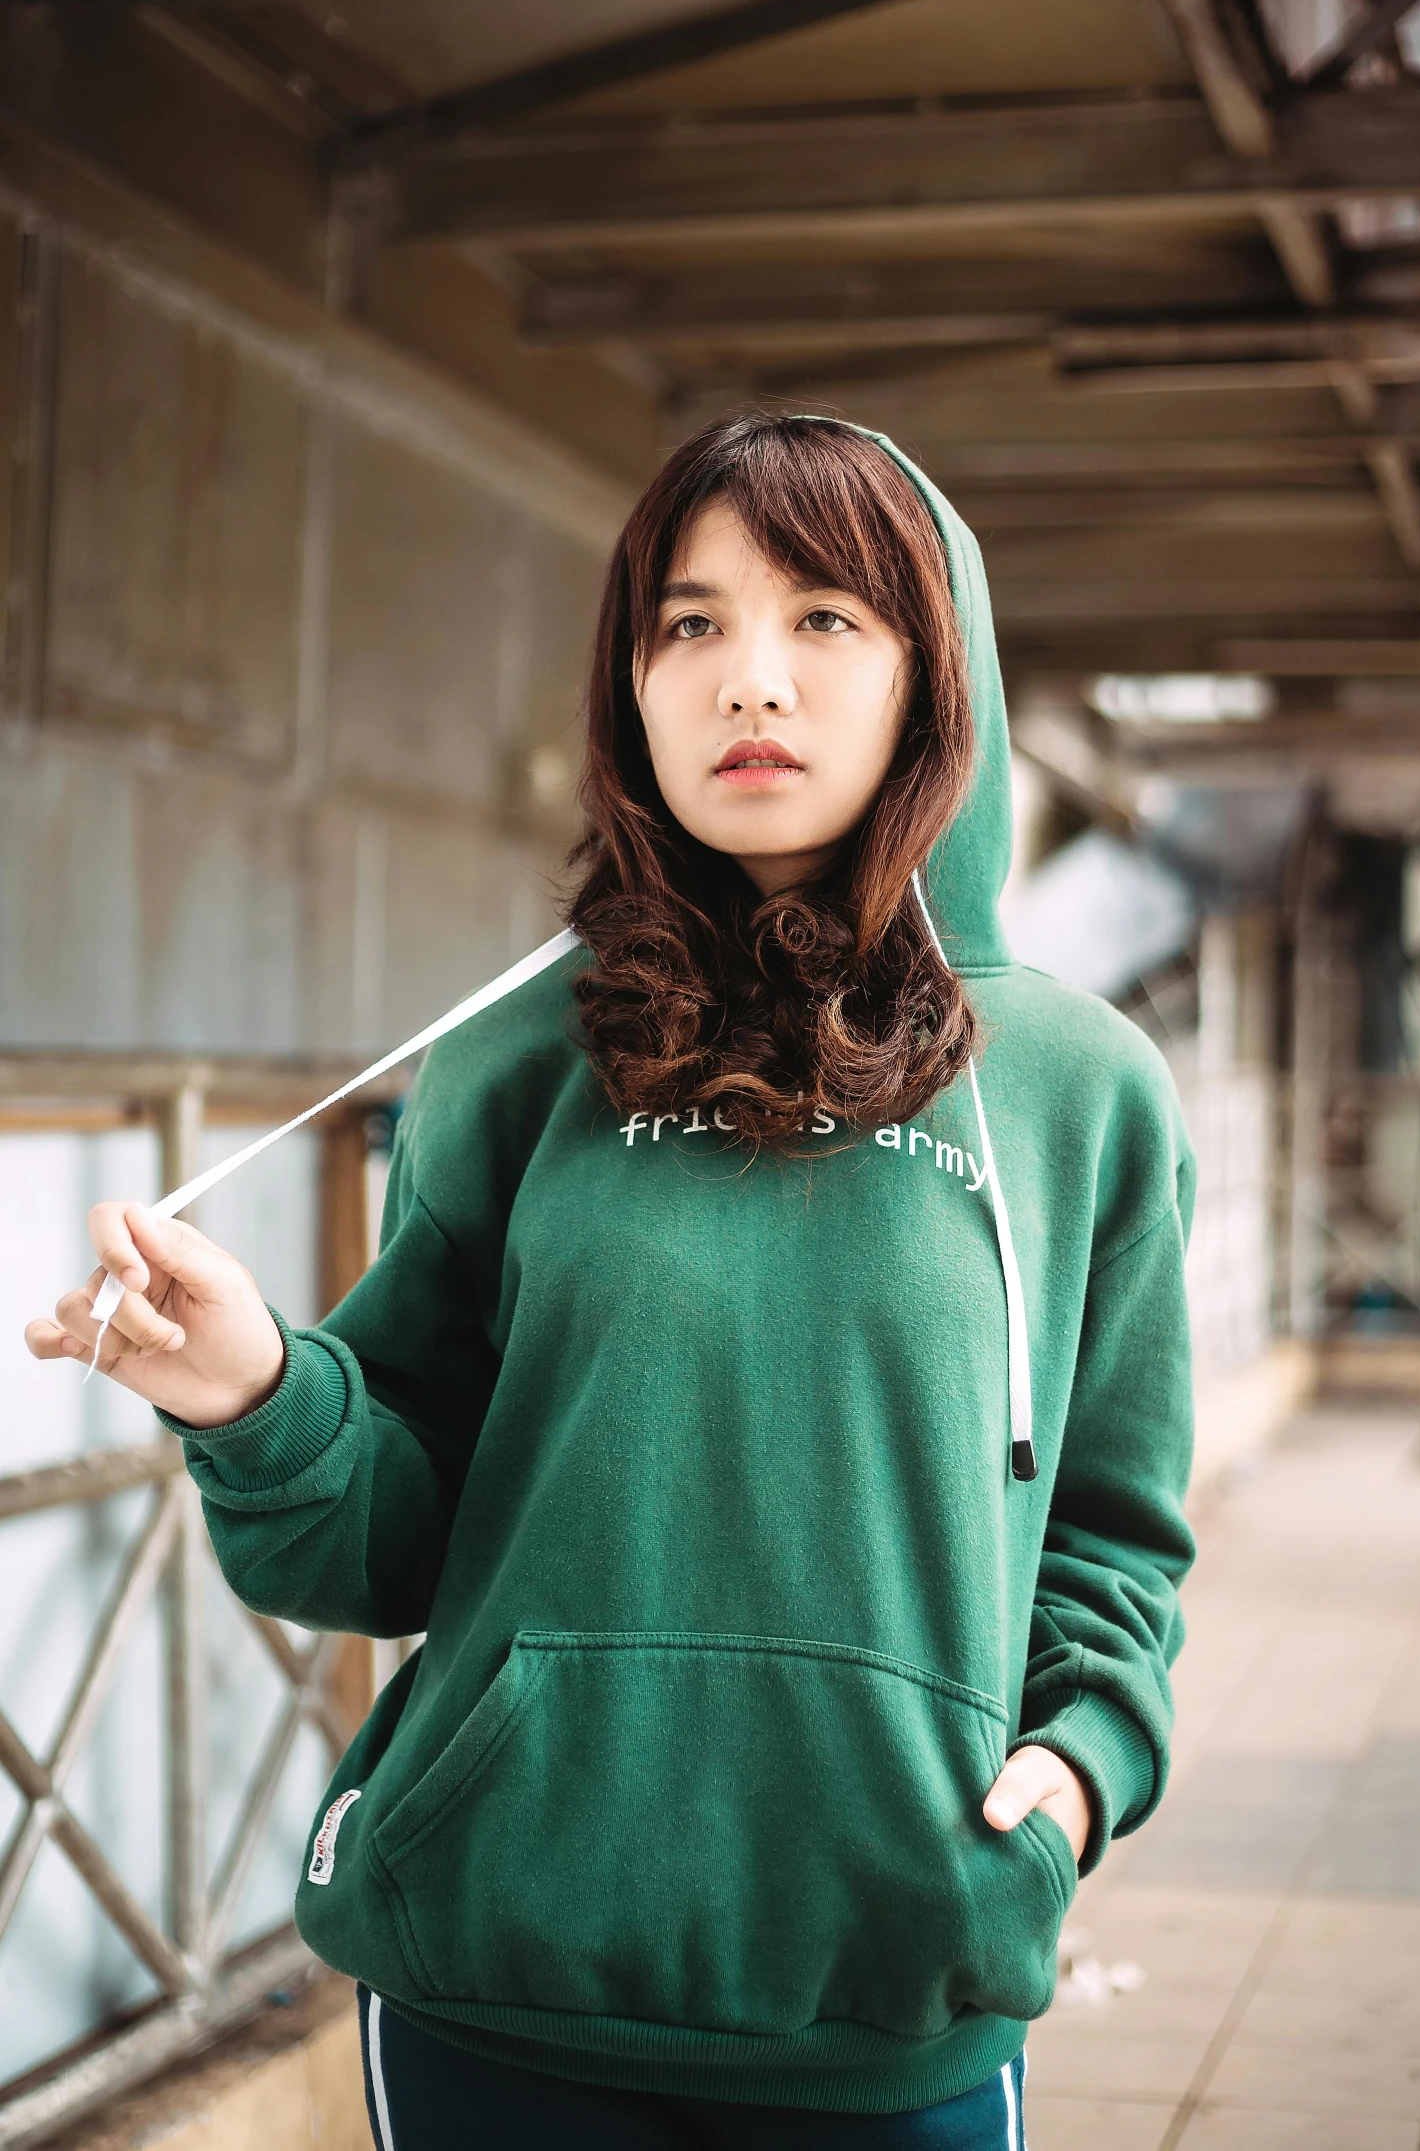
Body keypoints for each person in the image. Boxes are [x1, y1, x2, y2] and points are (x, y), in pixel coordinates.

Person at [28, 417, 1196, 2150]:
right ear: (629, 683)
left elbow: (1110, 1527)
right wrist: (263, 1392)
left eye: (824, 619)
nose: (749, 682)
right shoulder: (520, 1064)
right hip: (500, 1982)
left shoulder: (1073, 1088)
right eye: (690, 622)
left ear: (935, 674)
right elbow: (395, 1529)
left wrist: (1077, 1770)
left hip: (885, 1987)